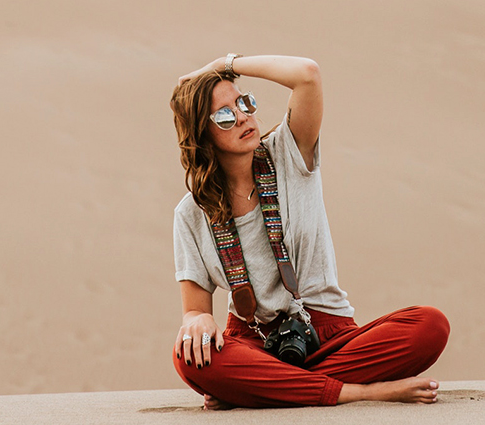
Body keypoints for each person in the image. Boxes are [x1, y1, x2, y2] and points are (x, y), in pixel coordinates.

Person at [169, 54, 450, 409]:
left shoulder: (290, 153)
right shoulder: (191, 213)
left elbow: (307, 75)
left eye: (244, 102)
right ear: (201, 134)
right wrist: (198, 321)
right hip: (254, 340)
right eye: (224, 116)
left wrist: (221, 66)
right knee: (189, 358)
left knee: (430, 326)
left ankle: (269, 390)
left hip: (328, 332)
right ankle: (362, 392)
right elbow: (194, 310)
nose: (242, 117)